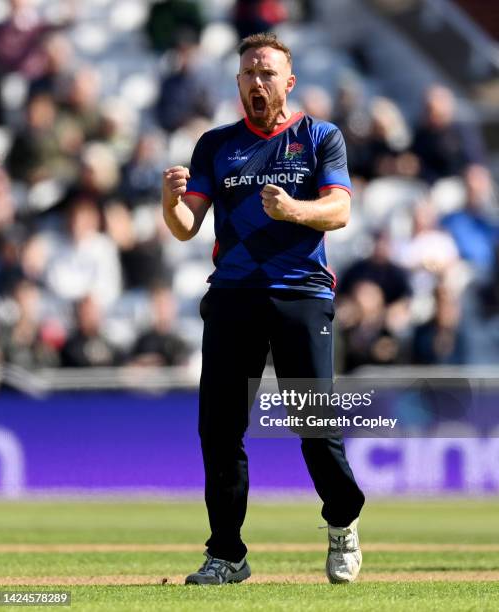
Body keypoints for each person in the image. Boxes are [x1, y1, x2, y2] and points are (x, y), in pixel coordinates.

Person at [162, 33, 365, 586]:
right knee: (220, 430)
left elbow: (340, 211)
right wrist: (169, 202)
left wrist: (295, 209)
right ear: (237, 82)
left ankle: (342, 522)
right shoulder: (215, 144)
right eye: (249, 72)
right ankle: (226, 555)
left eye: (268, 73)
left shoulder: (319, 136)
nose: (258, 81)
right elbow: (186, 228)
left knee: (313, 424)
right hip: (231, 298)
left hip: (301, 295)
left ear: (288, 83)